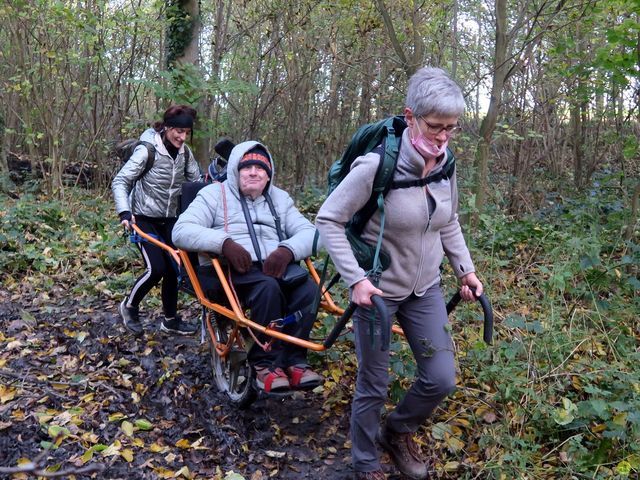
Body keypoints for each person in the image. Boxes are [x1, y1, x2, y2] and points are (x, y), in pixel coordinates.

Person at [315, 67, 484, 480]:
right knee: (373, 382)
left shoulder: (446, 165)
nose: (443, 136)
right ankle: (365, 461)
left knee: (441, 378)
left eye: (452, 128)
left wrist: (465, 270)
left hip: (424, 287)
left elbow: (449, 221)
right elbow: (328, 219)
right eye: (435, 126)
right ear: (410, 116)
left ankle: (398, 430)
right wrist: (356, 280)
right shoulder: (376, 166)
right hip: (377, 291)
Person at [172, 141, 322, 393]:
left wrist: (287, 250)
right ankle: (264, 365)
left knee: (309, 291)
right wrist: (224, 243)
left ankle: (295, 360)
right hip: (228, 269)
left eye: (260, 168)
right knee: (268, 289)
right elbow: (181, 230)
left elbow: (311, 232)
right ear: (235, 170)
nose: (253, 172)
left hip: (273, 267)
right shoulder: (213, 194)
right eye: (247, 167)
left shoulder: (280, 199)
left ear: (268, 174)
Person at [112, 105, 201, 337]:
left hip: (171, 219)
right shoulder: (147, 151)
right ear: (167, 128)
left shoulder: (186, 154)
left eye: (186, 132)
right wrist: (124, 212)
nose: (182, 137)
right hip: (143, 218)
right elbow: (121, 181)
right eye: (178, 131)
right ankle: (129, 307)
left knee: (174, 268)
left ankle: (170, 320)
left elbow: (197, 185)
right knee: (156, 268)